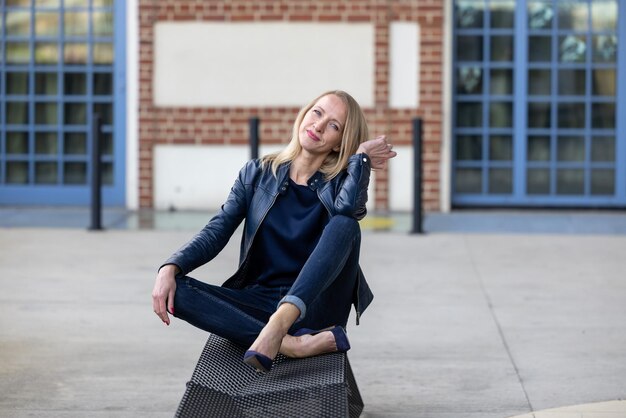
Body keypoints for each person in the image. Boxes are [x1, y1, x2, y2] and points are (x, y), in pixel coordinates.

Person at [152, 90, 397, 373]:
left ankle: (278, 326)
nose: (318, 125)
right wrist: (170, 266)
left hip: (315, 308)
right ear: (305, 114)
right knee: (176, 290)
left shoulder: (341, 185)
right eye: (317, 113)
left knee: (345, 224)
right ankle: (290, 345)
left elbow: (348, 213)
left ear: (341, 142)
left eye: (334, 125)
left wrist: (361, 158)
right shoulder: (256, 174)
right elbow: (218, 229)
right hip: (260, 300)